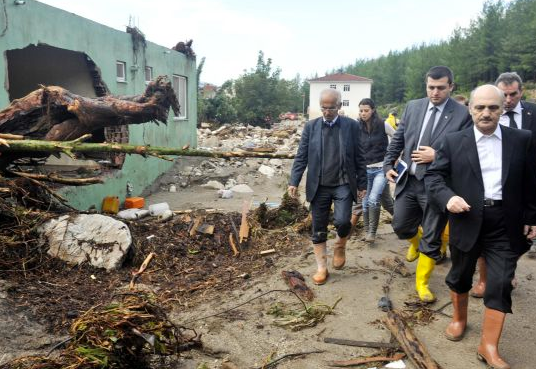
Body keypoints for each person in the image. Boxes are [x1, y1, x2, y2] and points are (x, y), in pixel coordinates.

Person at [425, 84, 536, 369]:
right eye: (480, 107)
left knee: (499, 283)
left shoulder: (521, 139)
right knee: (460, 276)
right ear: (471, 109)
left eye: (493, 108)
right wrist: (448, 198)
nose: (486, 113)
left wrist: (532, 217)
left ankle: (488, 346)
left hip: (505, 222)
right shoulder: (452, 141)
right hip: (467, 218)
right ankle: (459, 319)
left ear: (503, 109)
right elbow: (434, 178)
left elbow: (531, 182)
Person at [383, 66, 472, 302]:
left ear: (451, 87)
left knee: (432, 237)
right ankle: (414, 242)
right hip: (409, 180)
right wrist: (387, 165)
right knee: (400, 225)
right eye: (431, 87)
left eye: (441, 88)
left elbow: (467, 151)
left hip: (438, 185)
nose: (435, 92)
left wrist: (438, 155)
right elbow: (399, 139)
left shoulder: (462, 115)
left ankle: (422, 284)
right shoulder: (413, 107)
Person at [288, 88, 367, 285]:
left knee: (342, 222)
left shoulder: (351, 126)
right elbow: (301, 156)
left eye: (331, 108)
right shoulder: (311, 127)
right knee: (318, 227)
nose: (327, 112)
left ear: (339, 107)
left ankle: (340, 244)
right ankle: (322, 267)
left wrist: (362, 183)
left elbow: (360, 156)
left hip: (343, 184)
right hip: (319, 185)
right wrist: (294, 182)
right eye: (323, 108)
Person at [471, 72, 536, 299]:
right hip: (494, 186)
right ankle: (484, 278)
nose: (508, 100)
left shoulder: (533, 113)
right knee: (487, 237)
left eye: (513, 94)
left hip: (525, 183)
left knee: (520, 235)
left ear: (521, 92)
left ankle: (506, 270)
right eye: (504, 95)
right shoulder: (484, 114)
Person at [356, 98, 395, 243]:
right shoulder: (357, 127)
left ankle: (372, 233)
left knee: (373, 199)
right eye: (361, 111)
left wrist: (393, 158)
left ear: (373, 110)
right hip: (364, 170)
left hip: (381, 169)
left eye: (366, 110)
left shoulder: (383, 124)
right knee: (368, 201)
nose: (363, 113)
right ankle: (368, 233)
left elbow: (398, 138)